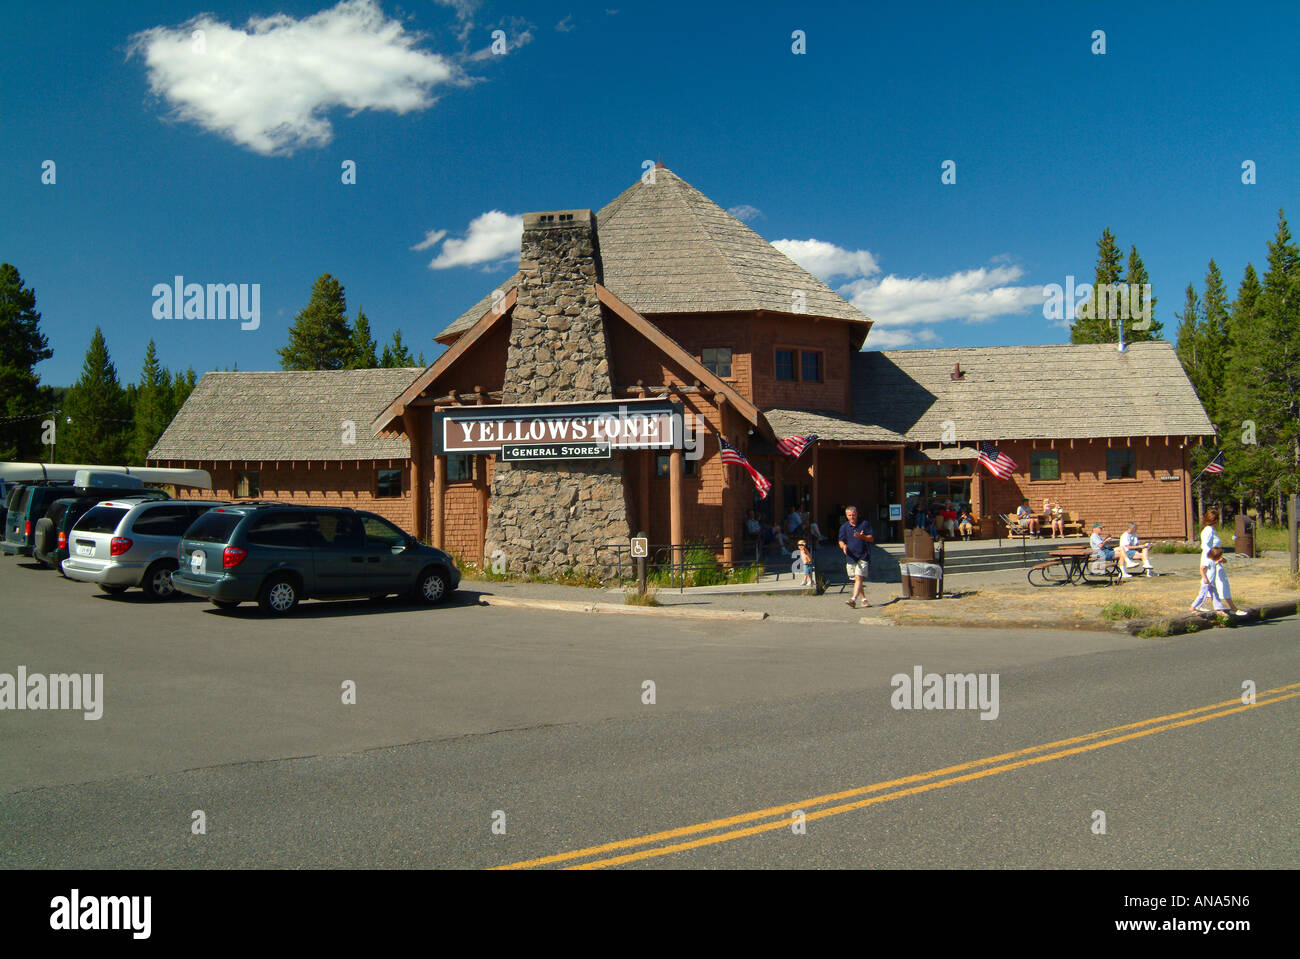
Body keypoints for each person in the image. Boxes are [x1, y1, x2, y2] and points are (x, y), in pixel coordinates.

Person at [1191, 547, 1247, 616]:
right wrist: (1205, 578)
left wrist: (1218, 562)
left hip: (1212, 583)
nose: (1221, 556)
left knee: (1215, 595)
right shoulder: (1208, 561)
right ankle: (1193, 607)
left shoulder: (1213, 561)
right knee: (1202, 596)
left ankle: (1219, 610)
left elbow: (1214, 565)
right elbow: (1202, 569)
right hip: (1206, 583)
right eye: (1219, 555)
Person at [838, 504, 874, 609]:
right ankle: (864, 599)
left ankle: (853, 599)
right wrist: (843, 546)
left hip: (863, 555)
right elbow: (841, 540)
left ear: (857, 514)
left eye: (853, 515)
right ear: (846, 516)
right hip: (851, 556)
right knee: (857, 579)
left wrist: (861, 536)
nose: (851, 517)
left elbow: (871, 538)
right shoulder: (844, 527)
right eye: (849, 515)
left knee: (858, 577)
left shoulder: (864, 524)